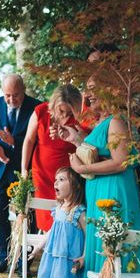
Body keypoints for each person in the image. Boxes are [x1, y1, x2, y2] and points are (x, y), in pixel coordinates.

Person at [64, 74, 140, 278]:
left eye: (94, 89)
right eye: (86, 90)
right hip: (100, 190)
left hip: (114, 192)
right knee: (100, 251)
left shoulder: (116, 121)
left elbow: (120, 162)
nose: (88, 96)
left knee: (114, 252)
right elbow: (98, 154)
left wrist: (82, 169)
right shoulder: (103, 122)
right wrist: (79, 142)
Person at [0, 74, 42, 273]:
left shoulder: (37, 107)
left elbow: (38, 141)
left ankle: (25, 261)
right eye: (8, 96)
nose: (11, 100)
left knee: (27, 215)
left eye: (16, 95)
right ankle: (5, 258)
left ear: (24, 90)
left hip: (24, 170)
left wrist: (14, 140)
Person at [32, 167, 86, 278]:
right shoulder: (60, 208)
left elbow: (90, 237)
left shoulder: (79, 211)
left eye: (62, 179)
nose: (56, 183)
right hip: (58, 257)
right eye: (56, 179)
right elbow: (51, 231)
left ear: (76, 186)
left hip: (71, 259)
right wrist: (39, 246)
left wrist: (84, 257)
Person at [21, 84, 83, 232]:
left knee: (66, 214)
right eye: (61, 110)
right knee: (45, 216)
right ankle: (48, 249)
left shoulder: (80, 118)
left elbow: (85, 143)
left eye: (69, 112)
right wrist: (24, 169)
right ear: (54, 103)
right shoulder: (41, 111)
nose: (65, 115)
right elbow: (29, 140)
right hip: (42, 173)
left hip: (68, 175)